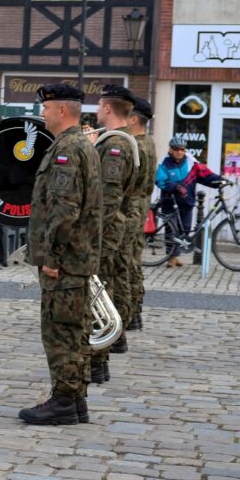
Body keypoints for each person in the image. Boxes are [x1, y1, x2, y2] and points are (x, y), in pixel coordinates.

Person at [19, 84, 101, 426]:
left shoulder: (68, 148)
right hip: (77, 257)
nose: (42, 114)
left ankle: (64, 401)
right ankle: (75, 398)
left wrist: (51, 257)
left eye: (46, 108)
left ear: (62, 111)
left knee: (60, 331)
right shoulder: (79, 144)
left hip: (65, 261)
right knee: (74, 330)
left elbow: (64, 210)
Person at [89, 85, 138, 383]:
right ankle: (98, 361)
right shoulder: (113, 141)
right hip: (107, 231)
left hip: (102, 233)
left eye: (99, 105)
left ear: (107, 108)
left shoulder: (115, 146)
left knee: (94, 298)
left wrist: (88, 234)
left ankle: (97, 362)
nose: (96, 110)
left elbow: (107, 199)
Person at [155, 136, 225, 267]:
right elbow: (160, 181)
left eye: (182, 149)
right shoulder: (164, 164)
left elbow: (206, 175)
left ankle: (175, 256)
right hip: (171, 202)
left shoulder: (191, 163)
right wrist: (176, 187)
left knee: (185, 230)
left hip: (187, 202)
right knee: (171, 231)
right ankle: (170, 258)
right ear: (170, 150)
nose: (179, 152)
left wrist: (221, 180)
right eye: (176, 149)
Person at [125, 96, 156, 330]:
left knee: (125, 264)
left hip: (131, 212)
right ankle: (134, 312)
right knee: (132, 262)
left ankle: (128, 313)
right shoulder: (147, 142)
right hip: (139, 210)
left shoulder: (136, 146)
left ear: (133, 119)